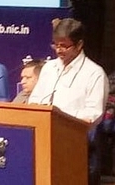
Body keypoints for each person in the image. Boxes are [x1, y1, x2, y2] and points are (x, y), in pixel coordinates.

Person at [28, 18, 108, 185]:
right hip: (42, 143)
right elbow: (34, 99)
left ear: (79, 45)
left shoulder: (94, 74)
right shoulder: (49, 68)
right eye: (55, 45)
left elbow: (93, 114)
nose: (58, 50)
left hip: (76, 148)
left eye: (64, 46)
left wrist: (60, 117)